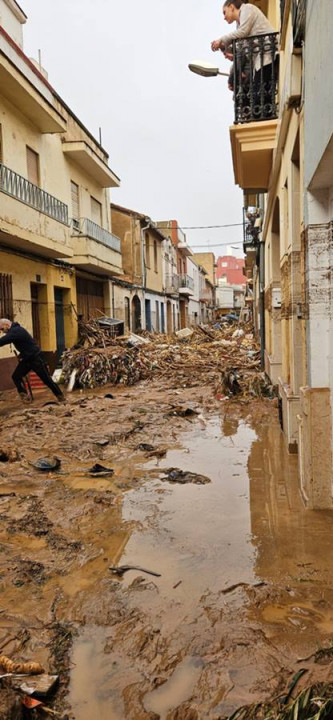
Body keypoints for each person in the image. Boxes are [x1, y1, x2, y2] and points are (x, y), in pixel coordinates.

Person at [211, 0, 277, 119]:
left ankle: (265, 118)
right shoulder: (239, 23)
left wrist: (222, 39)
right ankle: (264, 117)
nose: (224, 18)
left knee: (259, 96)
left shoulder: (247, 9)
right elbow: (239, 48)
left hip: (268, 56)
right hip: (260, 60)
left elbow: (243, 32)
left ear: (231, 7)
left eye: (224, 12)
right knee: (259, 95)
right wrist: (223, 47)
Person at [0, 319, 65, 403]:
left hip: (36, 358)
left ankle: (60, 396)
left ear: (7, 325)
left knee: (47, 380)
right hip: (27, 358)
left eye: (2, 329)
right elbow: (25, 346)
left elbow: (3, 341)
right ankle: (24, 395)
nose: (2, 331)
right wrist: (22, 355)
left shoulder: (16, 331)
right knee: (16, 376)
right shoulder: (15, 331)